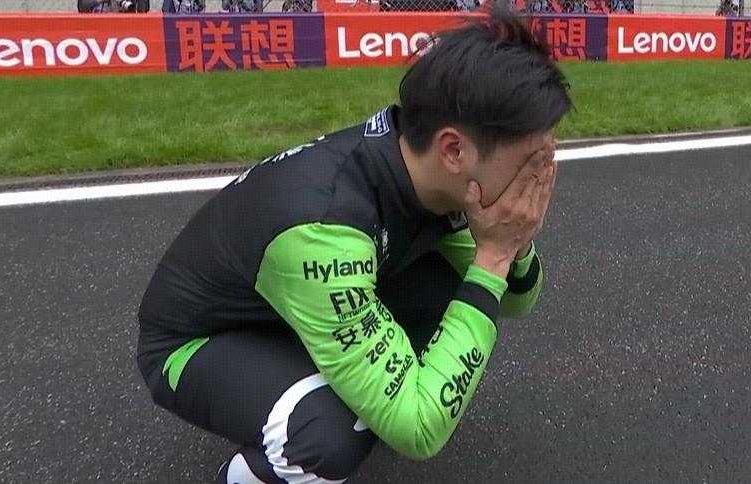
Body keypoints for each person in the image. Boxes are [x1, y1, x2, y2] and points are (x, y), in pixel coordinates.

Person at [137, 7, 572, 484]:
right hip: (197, 343)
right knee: (329, 435)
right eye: (531, 160)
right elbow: (420, 428)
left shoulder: (425, 169)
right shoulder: (328, 228)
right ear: (454, 150)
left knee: (458, 289)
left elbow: (514, 301)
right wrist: (493, 256)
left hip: (289, 308)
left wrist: (512, 243)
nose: (541, 174)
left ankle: (329, 377)